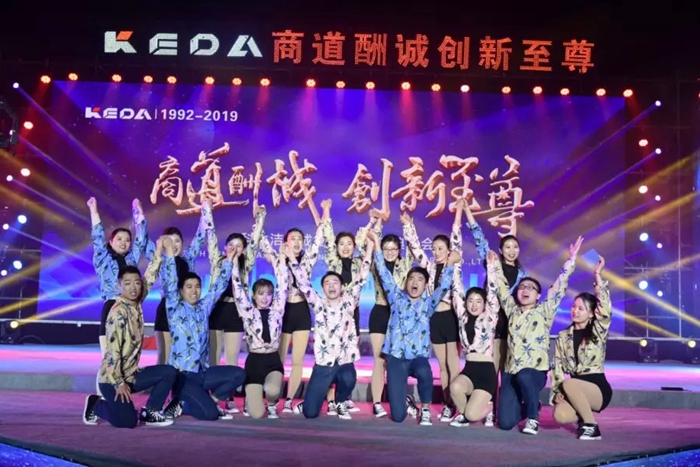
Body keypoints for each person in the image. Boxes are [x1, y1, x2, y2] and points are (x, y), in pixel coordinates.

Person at [489, 236, 583, 435]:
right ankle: (532, 406)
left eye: (530, 288)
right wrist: (495, 264)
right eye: (522, 287)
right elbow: (502, 287)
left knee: (525, 375)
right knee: (505, 423)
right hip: (511, 372)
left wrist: (571, 260)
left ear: (538, 295)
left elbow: (558, 287)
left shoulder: (544, 311)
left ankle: (533, 418)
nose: (525, 290)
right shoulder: (512, 310)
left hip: (534, 372)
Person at [368, 229, 459, 426]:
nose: (414, 282)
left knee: (425, 371)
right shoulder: (395, 297)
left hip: (417, 358)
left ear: (425, 285)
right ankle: (406, 402)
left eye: (420, 280)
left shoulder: (428, 303)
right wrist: (375, 243)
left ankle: (425, 409)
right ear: (406, 283)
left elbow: (444, 287)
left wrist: (451, 264)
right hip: (396, 357)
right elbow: (383, 272)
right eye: (411, 279)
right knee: (398, 417)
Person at [82, 241, 177, 428]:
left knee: (169, 372)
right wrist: (118, 383)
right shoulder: (118, 313)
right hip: (112, 379)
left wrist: (159, 250)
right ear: (119, 286)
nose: (133, 287)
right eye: (127, 283)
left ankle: (150, 411)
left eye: (136, 283)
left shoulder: (136, 302)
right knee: (127, 421)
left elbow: (150, 276)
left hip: (132, 375)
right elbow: (112, 353)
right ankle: (97, 405)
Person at [159, 236, 247, 421]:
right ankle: (181, 401)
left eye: (197, 287)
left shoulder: (204, 307)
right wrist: (169, 253)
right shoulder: (174, 307)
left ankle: (210, 401)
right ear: (181, 291)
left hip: (203, 374)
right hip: (183, 376)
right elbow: (169, 281)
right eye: (189, 287)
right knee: (210, 414)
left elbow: (218, 286)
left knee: (239, 374)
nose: (194, 291)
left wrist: (229, 260)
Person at [289, 237, 373, 420]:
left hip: (343, 362)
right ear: (323, 288)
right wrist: (292, 259)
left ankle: (341, 401)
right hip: (324, 364)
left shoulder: (349, 303)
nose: (332, 286)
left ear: (342, 287)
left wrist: (370, 249)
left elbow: (361, 277)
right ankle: (310, 401)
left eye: (335, 283)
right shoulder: (318, 305)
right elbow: (302, 282)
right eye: (327, 283)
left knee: (349, 376)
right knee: (310, 413)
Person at [463, 201, 527, 426]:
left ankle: (506, 409)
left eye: (515, 247)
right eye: (507, 247)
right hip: (490, 326)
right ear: (500, 250)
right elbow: (479, 238)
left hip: (510, 327)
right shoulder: (493, 264)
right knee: (491, 369)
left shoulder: (522, 275)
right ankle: (487, 408)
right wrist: (467, 211)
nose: (511, 250)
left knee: (505, 371)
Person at [260, 207, 328, 413]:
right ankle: (273, 399)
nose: (297, 242)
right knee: (278, 358)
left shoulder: (307, 261)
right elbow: (261, 241)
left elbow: (319, 237)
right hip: (282, 312)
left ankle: (290, 399)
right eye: (293, 239)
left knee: (298, 360)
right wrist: (259, 218)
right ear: (285, 242)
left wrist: (325, 211)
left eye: (300, 239)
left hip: (301, 312)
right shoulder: (277, 259)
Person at [401, 203, 464, 422]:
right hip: (435, 319)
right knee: (443, 367)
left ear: (449, 250)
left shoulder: (454, 266)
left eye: (441, 248)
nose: (437, 252)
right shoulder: (428, 267)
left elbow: (456, 238)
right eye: (434, 249)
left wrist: (458, 212)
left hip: (451, 318)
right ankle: (447, 404)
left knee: (453, 365)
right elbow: (416, 248)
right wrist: (408, 226)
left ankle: (457, 405)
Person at [207, 204, 267, 414]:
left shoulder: (245, 265)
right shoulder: (217, 262)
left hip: (235, 312)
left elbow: (255, 240)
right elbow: (210, 235)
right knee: (213, 357)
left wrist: (260, 218)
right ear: (225, 247)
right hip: (216, 310)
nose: (234, 248)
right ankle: (211, 395)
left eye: (239, 246)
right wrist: (207, 210)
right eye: (231, 245)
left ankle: (229, 397)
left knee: (232, 357)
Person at [87, 197, 149, 395]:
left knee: (126, 358)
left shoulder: (131, 260)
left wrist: (139, 212)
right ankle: (100, 400)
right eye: (119, 239)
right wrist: (94, 211)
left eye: (127, 240)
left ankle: (117, 398)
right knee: (109, 358)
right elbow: (97, 236)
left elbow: (141, 239)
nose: (124, 242)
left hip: (131, 313)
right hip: (112, 308)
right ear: (111, 241)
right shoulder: (103, 259)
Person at [320, 199, 376, 414]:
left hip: (352, 313)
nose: (345, 247)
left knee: (348, 353)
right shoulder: (333, 262)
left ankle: (344, 396)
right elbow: (327, 236)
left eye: (349, 244)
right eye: (341, 244)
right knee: (331, 355)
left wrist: (372, 222)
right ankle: (330, 398)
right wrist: (326, 210)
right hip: (332, 314)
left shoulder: (358, 263)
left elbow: (364, 239)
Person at [551, 255, 612, 440]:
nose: (575, 311)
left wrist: (597, 275)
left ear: (592, 313)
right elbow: (557, 367)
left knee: (570, 383)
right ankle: (583, 415)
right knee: (560, 415)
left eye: (581, 309)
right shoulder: (563, 336)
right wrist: (558, 392)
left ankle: (591, 426)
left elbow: (605, 308)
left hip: (597, 388)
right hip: (574, 387)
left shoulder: (598, 330)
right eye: (573, 307)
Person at [230, 241, 289, 419]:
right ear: (253, 295)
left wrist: (282, 259)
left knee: (272, 390)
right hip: (254, 362)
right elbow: (238, 288)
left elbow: (283, 284)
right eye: (261, 293)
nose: (265, 298)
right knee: (256, 414)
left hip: (273, 360)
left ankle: (272, 403)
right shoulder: (247, 311)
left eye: (269, 294)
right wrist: (234, 264)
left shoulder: (277, 310)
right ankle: (251, 401)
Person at [147, 203, 209, 367]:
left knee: (184, 354)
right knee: (165, 356)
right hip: (168, 310)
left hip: (187, 311)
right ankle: (161, 382)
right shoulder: (160, 261)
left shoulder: (187, 259)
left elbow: (199, 238)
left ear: (182, 243)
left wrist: (205, 212)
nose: (173, 245)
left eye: (177, 241)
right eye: (169, 241)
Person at [367, 210, 414, 418]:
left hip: (399, 315)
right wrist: (377, 221)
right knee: (379, 359)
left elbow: (413, 246)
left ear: (398, 250)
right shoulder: (375, 263)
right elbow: (370, 242)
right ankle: (377, 403)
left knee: (397, 360)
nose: (389, 252)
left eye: (394, 249)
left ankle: (400, 399)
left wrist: (408, 225)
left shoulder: (405, 264)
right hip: (379, 311)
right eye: (386, 248)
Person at [449, 263, 500, 427]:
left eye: (479, 301)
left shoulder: (489, 318)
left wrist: (491, 268)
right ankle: (464, 416)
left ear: (485, 304)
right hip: (469, 370)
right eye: (470, 301)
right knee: (455, 387)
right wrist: (456, 264)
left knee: (472, 415)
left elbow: (493, 291)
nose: (474, 304)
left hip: (486, 374)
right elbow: (456, 289)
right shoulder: (462, 317)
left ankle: (488, 407)